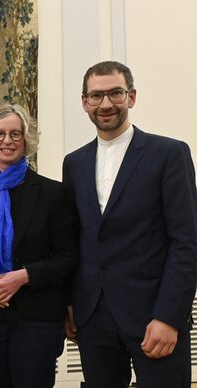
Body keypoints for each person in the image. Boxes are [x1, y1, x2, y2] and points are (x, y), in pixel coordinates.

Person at [63, 61, 197, 388]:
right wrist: (70, 304)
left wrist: (169, 317)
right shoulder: (74, 163)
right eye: (96, 96)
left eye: (115, 93)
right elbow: (73, 239)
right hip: (92, 318)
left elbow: (187, 242)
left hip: (154, 317)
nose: (106, 104)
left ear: (131, 96)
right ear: (84, 103)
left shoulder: (169, 154)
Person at [0, 104, 78, 388]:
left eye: (15, 133)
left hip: (37, 320)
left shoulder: (53, 193)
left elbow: (67, 257)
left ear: (27, 139)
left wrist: (22, 277)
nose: (7, 141)